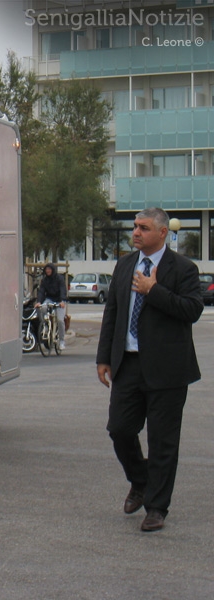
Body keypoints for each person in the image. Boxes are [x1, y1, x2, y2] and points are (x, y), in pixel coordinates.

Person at [96, 207, 203, 533]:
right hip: (128, 364)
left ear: (162, 233)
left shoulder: (183, 268)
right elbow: (112, 312)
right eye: (135, 227)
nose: (136, 232)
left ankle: (156, 507)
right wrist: (104, 357)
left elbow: (192, 309)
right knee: (119, 429)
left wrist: (153, 290)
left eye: (143, 227)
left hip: (168, 369)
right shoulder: (125, 265)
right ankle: (140, 480)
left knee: (162, 442)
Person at [34, 263, 67, 350]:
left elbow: (63, 289)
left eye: (49, 269)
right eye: (46, 269)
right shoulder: (44, 280)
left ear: (53, 270)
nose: (48, 271)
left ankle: (62, 341)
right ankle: (45, 324)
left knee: (60, 320)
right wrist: (39, 302)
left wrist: (62, 300)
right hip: (50, 299)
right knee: (42, 308)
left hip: (59, 300)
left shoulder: (59, 278)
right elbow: (41, 291)